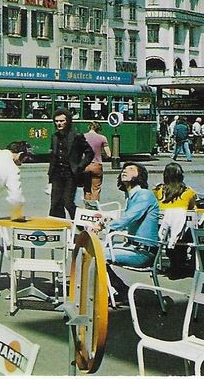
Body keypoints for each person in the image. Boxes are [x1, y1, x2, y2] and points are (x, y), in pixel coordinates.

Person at [99, 163, 160, 305]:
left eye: (131, 169)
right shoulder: (132, 196)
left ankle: (120, 291)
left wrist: (104, 225)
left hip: (143, 252)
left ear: (139, 176)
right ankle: (119, 290)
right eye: (124, 169)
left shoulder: (144, 194)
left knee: (97, 255)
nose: (125, 171)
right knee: (92, 252)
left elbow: (129, 218)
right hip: (133, 247)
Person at [154, 162, 197, 278]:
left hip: (162, 231)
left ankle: (175, 264)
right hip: (182, 233)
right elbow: (193, 209)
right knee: (194, 228)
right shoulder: (188, 192)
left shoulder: (158, 191)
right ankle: (192, 264)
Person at [47, 108, 91, 219]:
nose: (59, 123)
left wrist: (79, 167)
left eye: (62, 121)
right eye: (56, 121)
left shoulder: (76, 136)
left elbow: (90, 152)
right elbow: (53, 156)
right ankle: (58, 227)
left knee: (68, 202)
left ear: (68, 121)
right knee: (55, 203)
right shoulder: (54, 137)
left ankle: (82, 225)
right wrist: (50, 173)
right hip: (57, 173)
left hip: (70, 174)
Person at [82, 121, 112, 204]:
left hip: (85, 165)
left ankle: (87, 209)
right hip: (97, 165)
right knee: (96, 188)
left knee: (87, 188)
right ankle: (95, 208)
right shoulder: (102, 138)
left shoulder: (83, 137)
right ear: (98, 129)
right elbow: (109, 154)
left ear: (89, 127)